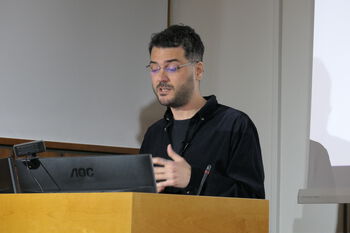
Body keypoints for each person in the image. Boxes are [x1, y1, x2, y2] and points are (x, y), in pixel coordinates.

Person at [140, 24, 265, 198]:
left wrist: (193, 179)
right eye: (154, 68)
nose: (161, 78)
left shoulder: (235, 125)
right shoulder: (154, 133)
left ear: (198, 70)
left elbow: (252, 201)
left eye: (172, 67)